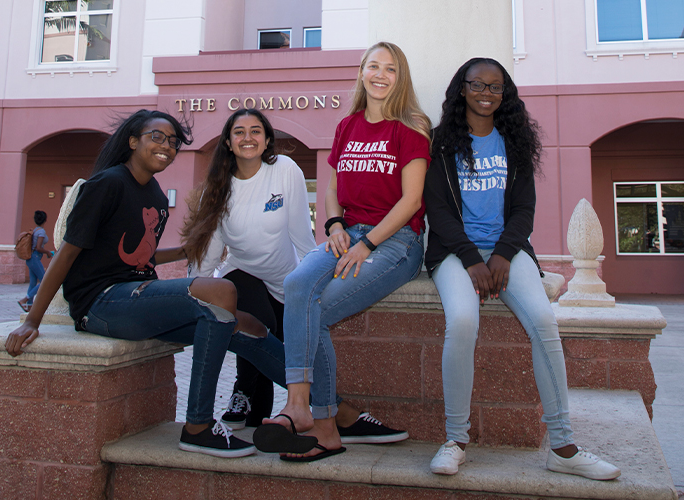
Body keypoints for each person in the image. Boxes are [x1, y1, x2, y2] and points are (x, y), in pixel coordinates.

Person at [5, 109, 288, 459]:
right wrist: (33, 318)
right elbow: (67, 253)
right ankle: (198, 427)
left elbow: (141, 260)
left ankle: (324, 405)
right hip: (100, 305)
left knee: (250, 326)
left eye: (172, 142)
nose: (167, 147)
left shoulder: (155, 195)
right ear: (133, 141)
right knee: (222, 291)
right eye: (157, 137)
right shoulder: (107, 184)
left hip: (134, 301)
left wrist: (186, 250)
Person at [424, 58, 620, 480]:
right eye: (477, 84)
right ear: (462, 88)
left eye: (495, 88)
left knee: (544, 322)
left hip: (507, 251)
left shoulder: (513, 141)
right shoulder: (440, 142)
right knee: (461, 321)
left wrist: (502, 255)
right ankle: (455, 439)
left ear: (504, 95)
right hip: (455, 253)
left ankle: (563, 447)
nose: (486, 93)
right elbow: (437, 211)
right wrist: (473, 259)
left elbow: (524, 210)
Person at [253, 41, 431, 462]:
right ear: (362, 73)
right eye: (374, 66)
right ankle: (302, 408)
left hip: (397, 241)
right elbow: (332, 187)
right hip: (347, 233)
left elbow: (410, 201)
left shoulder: (412, 127)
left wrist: (368, 243)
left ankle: (325, 422)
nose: (381, 75)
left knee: (319, 307)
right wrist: (333, 225)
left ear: (400, 77)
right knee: (298, 284)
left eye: (390, 68)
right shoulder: (347, 125)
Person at [184, 108, 406, 444]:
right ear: (228, 143)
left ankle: (270, 405)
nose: (248, 138)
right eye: (239, 132)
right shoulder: (217, 188)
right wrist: (190, 290)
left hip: (286, 279)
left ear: (268, 139)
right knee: (252, 316)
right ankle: (317, 409)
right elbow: (210, 250)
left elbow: (303, 234)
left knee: (287, 349)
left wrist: (313, 280)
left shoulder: (285, 170)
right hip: (242, 274)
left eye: (256, 131)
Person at [18, 210, 53, 312]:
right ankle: (24, 299)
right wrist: (47, 252)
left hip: (30, 258)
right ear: (45, 220)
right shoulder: (41, 232)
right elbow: (38, 247)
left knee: (33, 282)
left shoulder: (35, 230)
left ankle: (29, 306)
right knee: (44, 281)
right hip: (35, 258)